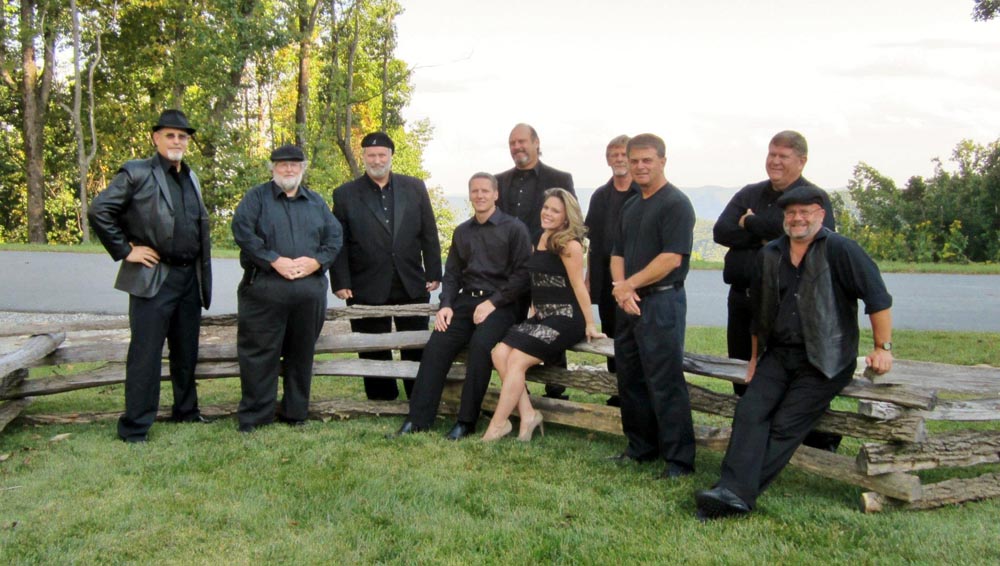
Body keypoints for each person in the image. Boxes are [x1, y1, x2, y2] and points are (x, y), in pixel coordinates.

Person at [695, 185, 894, 520]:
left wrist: (882, 347)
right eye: (790, 213)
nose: (797, 218)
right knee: (749, 412)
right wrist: (755, 358)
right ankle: (733, 492)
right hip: (778, 354)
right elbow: (760, 314)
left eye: (805, 212)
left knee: (785, 424)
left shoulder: (841, 250)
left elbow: (877, 298)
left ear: (820, 214)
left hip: (826, 358)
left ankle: (734, 492)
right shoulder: (771, 253)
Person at [712, 130, 841, 452]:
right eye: (772, 154)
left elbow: (811, 237)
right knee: (742, 365)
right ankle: (750, 435)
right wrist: (768, 233)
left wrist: (751, 223)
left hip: (787, 303)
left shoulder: (813, 197)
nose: (775, 161)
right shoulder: (750, 192)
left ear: (802, 160)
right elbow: (721, 231)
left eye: (783, 156)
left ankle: (816, 441)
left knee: (789, 372)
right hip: (742, 297)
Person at [89, 109, 213, 443]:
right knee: (145, 354)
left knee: (185, 351)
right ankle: (135, 426)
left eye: (182, 136)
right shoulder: (137, 172)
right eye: (170, 135)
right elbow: (99, 210)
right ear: (156, 138)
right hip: (154, 276)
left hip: (188, 278)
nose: (177, 141)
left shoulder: (190, 176)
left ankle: (186, 411)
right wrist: (125, 250)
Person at [391, 172, 531, 441]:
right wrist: (446, 304)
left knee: (480, 347)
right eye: (475, 191)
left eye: (485, 191)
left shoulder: (515, 229)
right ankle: (417, 420)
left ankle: (466, 421)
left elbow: (523, 275)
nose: (480, 195)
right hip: (465, 302)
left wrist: (493, 302)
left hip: (502, 304)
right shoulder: (462, 231)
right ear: (470, 195)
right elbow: (453, 274)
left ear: (496, 194)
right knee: (436, 345)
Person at [231, 144, 343, 433]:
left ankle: (295, 413)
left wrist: (316, 262)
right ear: (273, 168)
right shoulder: (256, 198)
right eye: (283, 164)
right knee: (259, 354)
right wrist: (274, 260)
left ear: (303, 168)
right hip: (264, 289)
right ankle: (256, 416)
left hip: (308, 293)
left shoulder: (316, 202)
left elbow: (335, 238)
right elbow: (242, 231)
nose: (289, 169)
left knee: (301, 354)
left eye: (295, 164)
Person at [483, 189, 605, 442]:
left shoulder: (569, 245)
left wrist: (590, 324)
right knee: (499, 353)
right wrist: (533, 308)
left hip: (565, 318)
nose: (547, 213)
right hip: (541, 316)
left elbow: (579, 286)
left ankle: (498, 425)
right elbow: (537, 280)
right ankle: (528, 414)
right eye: (546, 207)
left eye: (555, 211)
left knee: (517, 359)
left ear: (566, 217)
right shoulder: (541, 236)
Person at [609, 133, 697, 479]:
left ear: (662, 161)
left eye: (647, 160)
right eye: (634, 161)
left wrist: (629, 285)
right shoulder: (631, 206)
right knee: (629, 378)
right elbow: (617, 253)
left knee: (665, 380)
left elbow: (671, 258)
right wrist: (622, 290)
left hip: (661, 301)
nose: (640, 166)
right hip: (628, 303)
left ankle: (679, 461)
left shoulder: (676, 203)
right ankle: (641, 448)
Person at [331, 132, 442, 401]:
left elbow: (429, 232)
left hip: (410, 279)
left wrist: (434, 271)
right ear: (363, 157)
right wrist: (341, 281)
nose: (377, 160)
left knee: (415, 341)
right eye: (371, 155)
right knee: (371, 343)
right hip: (364, 282)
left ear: (391, 156)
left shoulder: (415, 187)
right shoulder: (345, 194)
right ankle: (382, 396)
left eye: (382, 155)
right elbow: (338, 242)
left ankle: (417, 394)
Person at [496, 123, 576, 400]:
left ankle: (556, 391)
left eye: (522, 141)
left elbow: (572, 225)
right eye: (512, 143)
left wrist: (544, 248)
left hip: (547, 267)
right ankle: (519, 389)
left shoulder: (560, 178)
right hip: (511, 270)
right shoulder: (499, 181)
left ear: (536, 142)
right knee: (513, 326)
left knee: (551, 327)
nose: (517, 147)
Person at [584, 135, 639, 407]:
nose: (619, 159)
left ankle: (636, 391)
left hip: (636, 278)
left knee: (635, 333)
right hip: (605, 279)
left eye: (623, 154)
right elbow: (591, 240)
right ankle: (616, 391)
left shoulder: (642, 193)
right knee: (611, 331)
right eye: (613, 155)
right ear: (608, 160)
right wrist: (588, 278)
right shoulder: (600, 196)